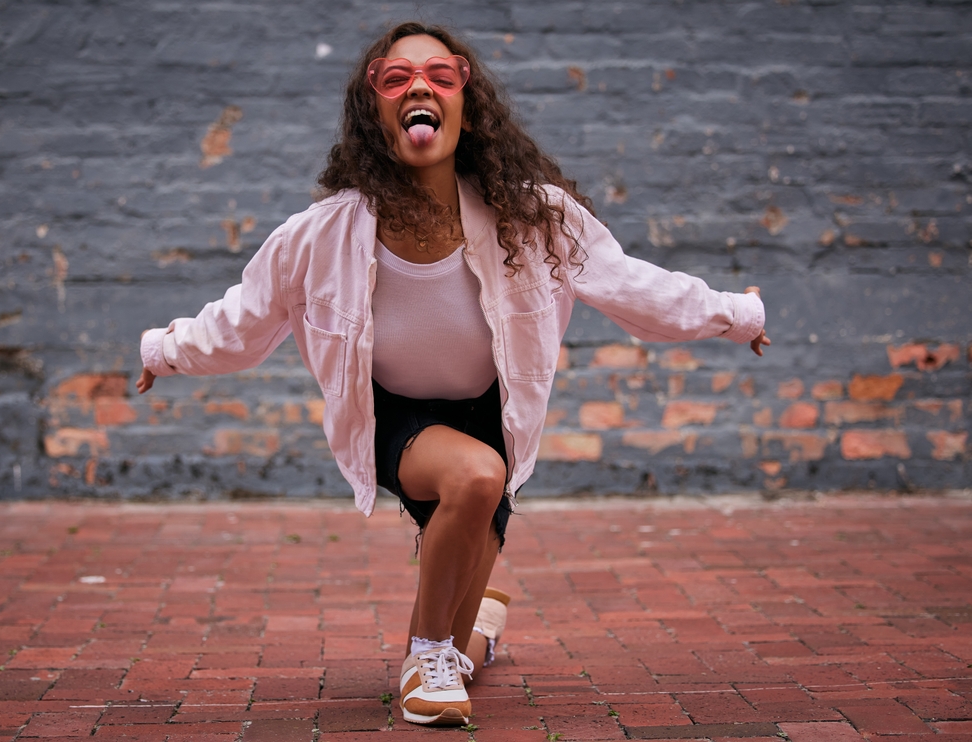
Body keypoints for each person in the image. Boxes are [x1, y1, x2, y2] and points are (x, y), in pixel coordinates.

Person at [136, 21, 769, 727]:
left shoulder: (531, 217)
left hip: (488, 411)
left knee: (472, 553)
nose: (419, 88)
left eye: (441, 76)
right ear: (373, 110)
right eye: (395, 77)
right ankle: (426, 654)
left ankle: (475, 631)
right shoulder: (322, 234)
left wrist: (735, 315)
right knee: (473, 482)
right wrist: (163, 351)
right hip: (393, 415)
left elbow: (632, 285)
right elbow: (243, 319)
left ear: (467, 104)